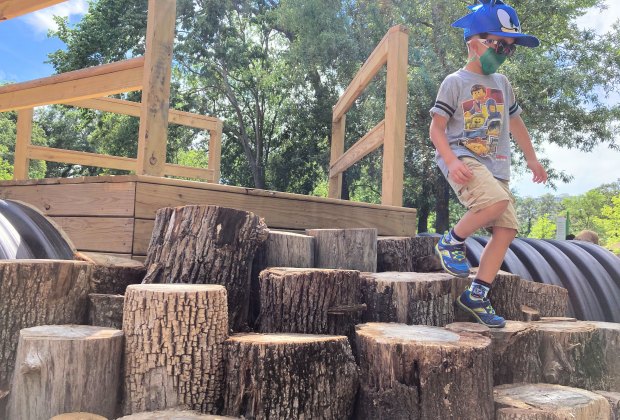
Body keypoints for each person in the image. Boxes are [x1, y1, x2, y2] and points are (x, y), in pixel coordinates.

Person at [429, 0, 548, 328]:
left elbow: (518, 125)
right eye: (497, 44)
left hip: (497, 167)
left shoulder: (503, 85)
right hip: (464, 158)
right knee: (495, 201)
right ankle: (451, 240)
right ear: (473, 41)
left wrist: (533, 159)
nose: (503, 52)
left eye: (509, 48)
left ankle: (477, 293)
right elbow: (436, 129)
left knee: (507, 228)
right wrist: (450, 161)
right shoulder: (455, 82)